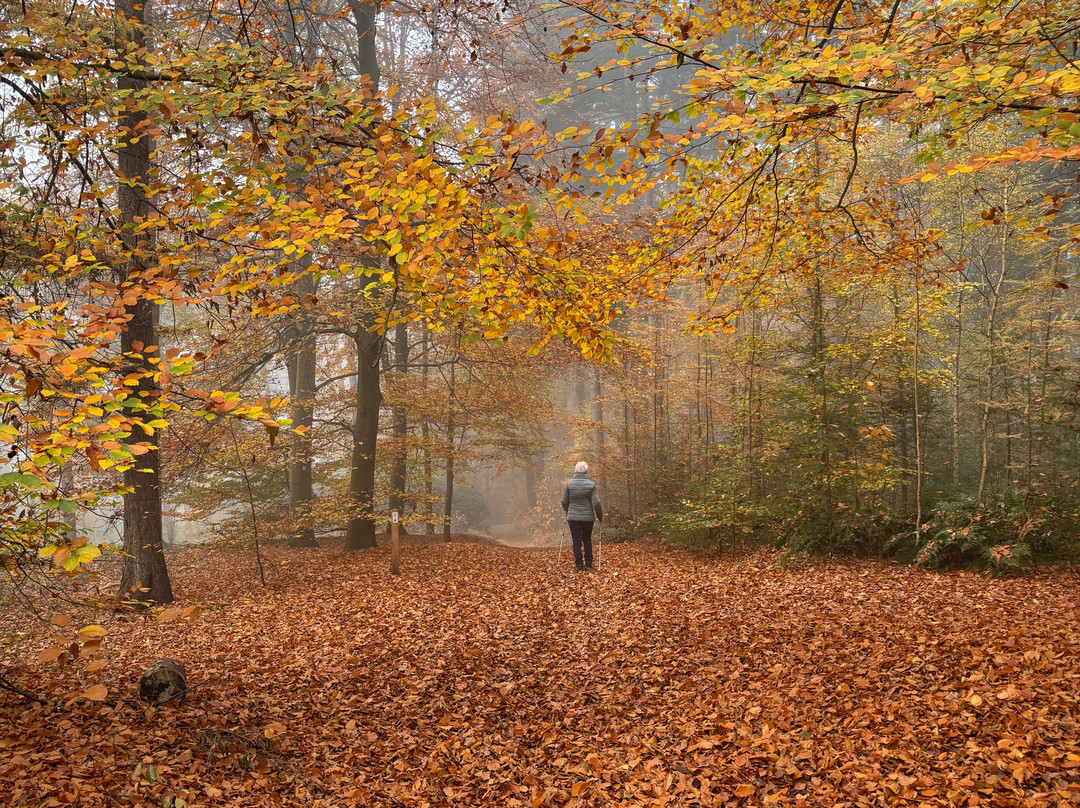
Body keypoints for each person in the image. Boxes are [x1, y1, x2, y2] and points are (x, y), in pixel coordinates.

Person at [561, 461, 603, 572]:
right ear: (586, 471)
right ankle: (588, 564)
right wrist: (600, 516)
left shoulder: (569, 485)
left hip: (573, 518)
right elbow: (597, 503)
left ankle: (579, 565)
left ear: (575, 470)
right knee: (587, 540)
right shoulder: (591, 485)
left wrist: (567, 511)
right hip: (588, 518)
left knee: (576, 541)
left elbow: (564, 501)